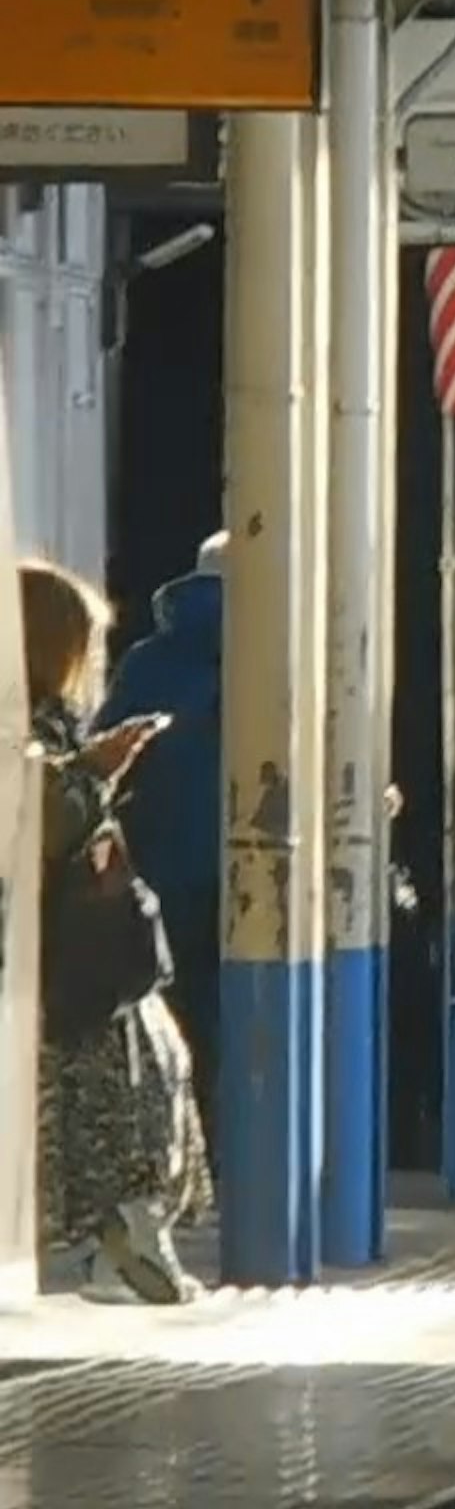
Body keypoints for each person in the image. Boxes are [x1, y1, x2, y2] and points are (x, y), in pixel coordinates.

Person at [26, 559, 206, 1304]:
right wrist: (94, 772)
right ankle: (122, 1232)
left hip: (75, 942)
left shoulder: (45, 724)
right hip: (53, 953)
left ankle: (129, 1229)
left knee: (151, 1060)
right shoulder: (24, 728)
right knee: (127, 1068)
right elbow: (36, 823)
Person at [100, 530, 220, 1079]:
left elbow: (108, 765)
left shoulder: (147, 663)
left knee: (177, 1022)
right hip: (259, 876)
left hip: (162, 871)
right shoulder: (287, 656)